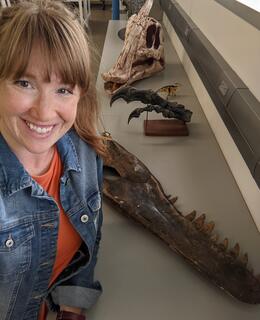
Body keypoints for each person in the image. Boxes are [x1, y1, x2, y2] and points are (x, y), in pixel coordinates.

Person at [0, 1, 105, 319]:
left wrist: (72, 304)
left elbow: (92, 233)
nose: (44, 113)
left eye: (63, 89)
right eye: (24, 83)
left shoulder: (84, 153)